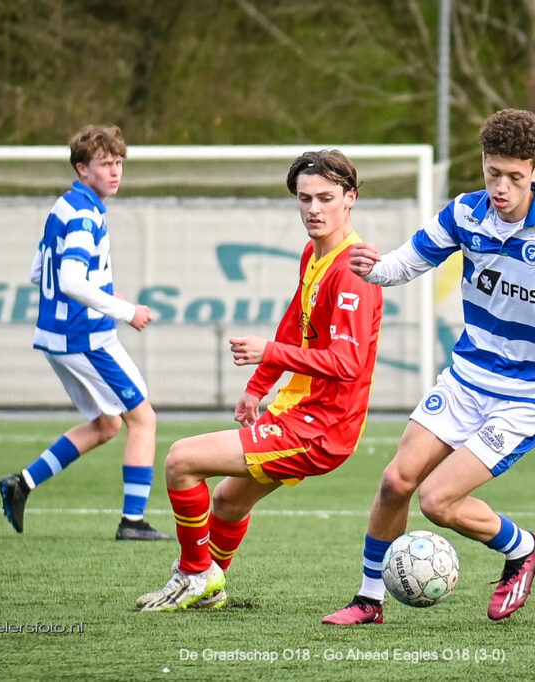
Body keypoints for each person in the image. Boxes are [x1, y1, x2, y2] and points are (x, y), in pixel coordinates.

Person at [322, 108, 535, 625]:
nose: (502, 188)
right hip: (468, 377)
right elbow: (411, 261)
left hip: (530, 392)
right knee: (396, 482)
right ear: (483, 164)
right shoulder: (466, 214)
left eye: (515, 176)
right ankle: (368, 601)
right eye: (494, 173)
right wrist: (375, 269)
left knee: (438, 501)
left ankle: (524, 549)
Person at [135, 149, 383, 611]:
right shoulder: (315, 253)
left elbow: (348, 362)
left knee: (180, 461)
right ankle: (210, 585)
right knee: (228, 503)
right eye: (304, 198)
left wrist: (267, 353)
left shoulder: (353, 272)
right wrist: (258, 385)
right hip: (299, 412)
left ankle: (193, 573)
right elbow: (294, 323)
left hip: (321, 427)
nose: (313, 209)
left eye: (326, 198)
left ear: (350, 198)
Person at [0, 124, 171, 541]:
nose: (115, 172)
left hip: (56, 337)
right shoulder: (85, 215)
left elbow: (38, 271)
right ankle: (133, 523)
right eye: (105, 164)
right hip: (86, 338)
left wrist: (103, 292)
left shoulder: (64, 206)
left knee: (107, 425)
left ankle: (21, 483)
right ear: (82, 169)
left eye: (118, 164)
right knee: (144, 420)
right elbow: (73, 282)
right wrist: (125, 310)